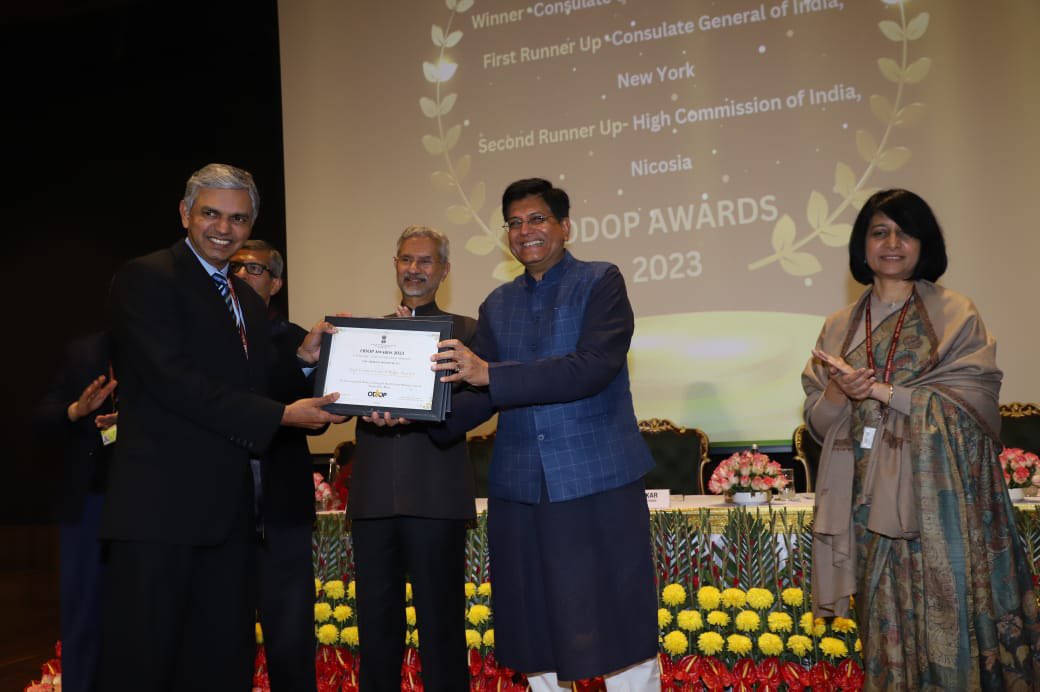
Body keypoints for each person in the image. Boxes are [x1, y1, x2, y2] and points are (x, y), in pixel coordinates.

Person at [100, 163, 345, 691]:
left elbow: (256, 380)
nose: (224, 228)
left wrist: (304, 362)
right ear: (186, 213)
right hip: (161, 514)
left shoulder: (242, 297)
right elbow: (173, 381)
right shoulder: (148, 277)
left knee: (219, 659)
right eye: (211, 213)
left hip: (230, 516)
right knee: (145, 662)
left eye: (238, 218)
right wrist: (281, 414)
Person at [426, 179, 661, 690]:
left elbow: (592, 367)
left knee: (620, 618)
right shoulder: (497, 303)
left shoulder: (601, 281)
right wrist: (412, 412)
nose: (525, 231)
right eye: (514, 222)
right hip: (521, 487)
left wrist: (490, 374)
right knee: (536, 623)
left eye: (537, 219)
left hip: (595, 477)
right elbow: (477, 393)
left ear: (564, 227)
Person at [804, 189, 1040, 689]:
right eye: (879, 231)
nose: (893, 243)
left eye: (906, 232)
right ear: (862, 245)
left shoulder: (956, 314)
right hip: (867, 505)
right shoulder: (836, 328)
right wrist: (838, 391)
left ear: (924, 243)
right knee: (881, 619)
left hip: (945, 504)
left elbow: (975, 404)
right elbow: (822, 428)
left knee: (950, 611)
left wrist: (885, 393)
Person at [351, 226, 477, 692]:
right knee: (376, 631)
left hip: (436, 497)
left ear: (443, 270)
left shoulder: (466, 332)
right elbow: (340, 394)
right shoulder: (368, 335)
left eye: (426, 261)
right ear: (396, 265)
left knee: (441, 628)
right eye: (406, 259)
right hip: (373, 500)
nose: (415, 269)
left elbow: (476, 402)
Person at [231, 239, 319, 691]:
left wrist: (303, 362)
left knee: (290, 639)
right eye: (236, 267)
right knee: (222, 642)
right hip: (218, 512)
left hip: (283, 510)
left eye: (255, 268)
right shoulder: (206, 337)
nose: (243, 274)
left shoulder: (295, 339)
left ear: (277, 282)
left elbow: (315, 420)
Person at [35, 331, 117, 692]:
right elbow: (42, 417)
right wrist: (76, 411)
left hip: (146, 504)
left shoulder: (165, 348)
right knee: (83, 613)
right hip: (89, 502)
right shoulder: (83, 352)